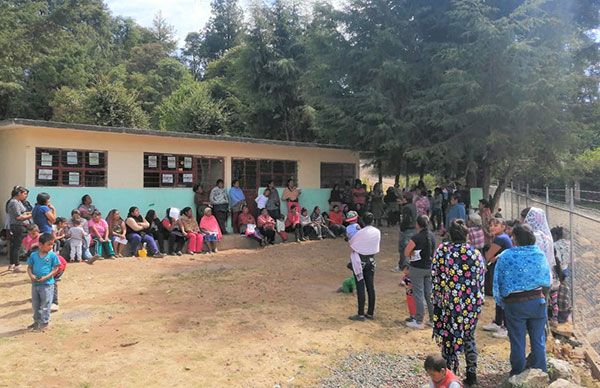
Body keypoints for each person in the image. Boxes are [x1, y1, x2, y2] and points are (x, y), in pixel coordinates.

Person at [432, 219, 485, 386]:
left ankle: (448, 376)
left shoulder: (443, 251)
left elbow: (435, 275)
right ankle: (472, 375)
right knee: (469, 337)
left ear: (449, 234)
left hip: (449, 304)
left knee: (448, 338)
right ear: (466, 234)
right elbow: (480, 279)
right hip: (470, 305)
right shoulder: (475, 253)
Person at [494, 224, 551, 376]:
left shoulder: (507, 256)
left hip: (515, 304)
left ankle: (517, 373)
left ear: (516, 239)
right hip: (538, 302)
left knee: (518, 340)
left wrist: (501, 302)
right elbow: (547, 280)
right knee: (538, 339)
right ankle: (540, 372)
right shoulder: (539, 254)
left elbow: (498, 281)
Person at [482, 218, 513, 338]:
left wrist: (490, 256)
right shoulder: (500, 237)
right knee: (499, 297)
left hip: (502, 271)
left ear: (503, 227)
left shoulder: (501, 238)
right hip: (500, 270)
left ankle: (505, 327)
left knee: (503, 298)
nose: (492, 227)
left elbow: (488, 256)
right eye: (491, 225)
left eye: (496, 225)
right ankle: (498, 322)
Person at [347, 212, 381, 321]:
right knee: (370, 287)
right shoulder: (377, 231)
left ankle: (360, 314)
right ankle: (370, 313)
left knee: (360, 286)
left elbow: (352, 244)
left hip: (359, 260)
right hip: (371, 259)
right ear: (373, 221)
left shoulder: (360, 233)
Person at [404, 215, 436, 329]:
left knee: (418, 294)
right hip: (429, 267)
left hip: (417, 268)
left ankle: (418, 320)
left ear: (417, 224)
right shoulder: (432, 236)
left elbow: (406, 252)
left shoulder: (416, 238)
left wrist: (413, 255)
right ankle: (433, 319)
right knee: (429, 293)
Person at [27, 233, 61, 332]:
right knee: (36, 304)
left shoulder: (52, 255)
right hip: (35, 284)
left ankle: (44, 323)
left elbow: (56, 268)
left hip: (47, 284)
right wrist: (31, 276)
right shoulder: (33, 255)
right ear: (40, 245)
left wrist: (46, 277)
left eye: (52, 244)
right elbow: (29, 268)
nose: (51, 246)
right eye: (49, 244)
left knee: (46, 304)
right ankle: (37, 322)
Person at [521, 207, 555, 284]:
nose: (520, 221)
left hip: (532, 278)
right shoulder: (547, 237)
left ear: (528, 220)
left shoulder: (531, 237)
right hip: (547, 277)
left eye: (522, 219)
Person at [6, 186, 32, 272]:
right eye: (24, 194)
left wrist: (30, 212)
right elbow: (18, 217)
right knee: (16, 246)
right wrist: (32, 215)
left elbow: (23, 212)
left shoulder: (18, 202)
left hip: (19, 226)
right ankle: (17, 265)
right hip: (18, 226)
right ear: (19, 193)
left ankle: (12, 264)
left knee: (15, 246)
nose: (25, 195)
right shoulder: (14, 202)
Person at [550, 226, 571, 325]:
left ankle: (556, 316)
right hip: (565, 269)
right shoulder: (567, 244)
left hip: (557, 271)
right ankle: (564, 315)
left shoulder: (554, 245)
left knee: (556, 296)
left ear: (554, 235)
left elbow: (556, 261)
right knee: (564, 294)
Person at [395, 193, 416, 272]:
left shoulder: (406, 208)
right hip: (413, 229)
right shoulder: (413, 206)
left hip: (407, 230)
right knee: (410, 248)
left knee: (403, 248)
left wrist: (402, 227)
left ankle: (402, 266)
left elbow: (406, 220)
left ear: (405, 199)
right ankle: (408, 265)